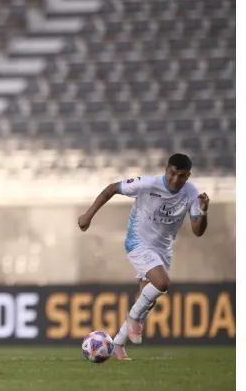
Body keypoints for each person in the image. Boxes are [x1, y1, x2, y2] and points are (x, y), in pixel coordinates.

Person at [77, 153, 209, 361]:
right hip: (137, 242)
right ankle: (133, 322)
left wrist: (202, 212)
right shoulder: (148, 184)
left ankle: (118, 344)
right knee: (162, 282)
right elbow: (112, 188)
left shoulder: (191, 192)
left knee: (146, 299)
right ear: (166, 170)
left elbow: (198, 231)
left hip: (163, 249)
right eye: (172, 173)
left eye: (181, 176)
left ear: (188, 175)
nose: (175, 179)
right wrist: (88, 215)